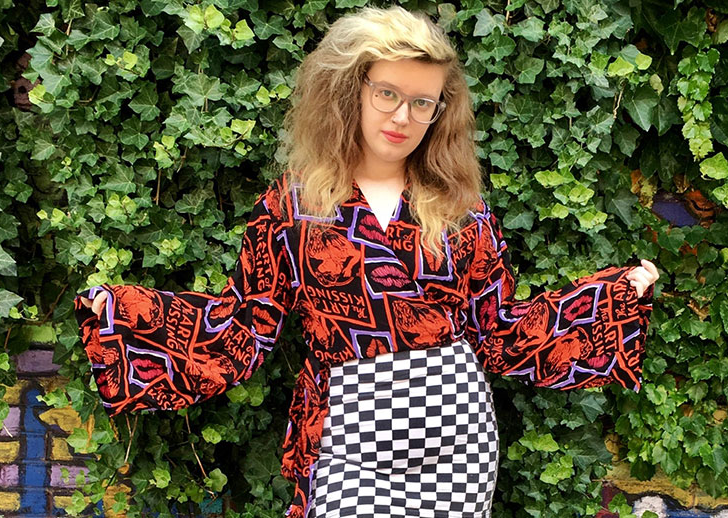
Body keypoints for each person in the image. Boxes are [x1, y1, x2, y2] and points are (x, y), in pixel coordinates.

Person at [75, 6, 659, 518]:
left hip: (454, 429)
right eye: (387, 93)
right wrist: (124, 317)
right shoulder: (291, 207)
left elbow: (500, 330)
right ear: (350, 89)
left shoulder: (461, 208)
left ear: (439, 112)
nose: (402, 116)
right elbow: (245, 325)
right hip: (349, 429)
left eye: (422, 102)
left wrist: (615, 298)